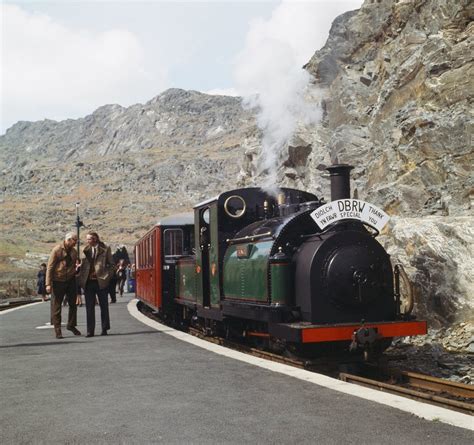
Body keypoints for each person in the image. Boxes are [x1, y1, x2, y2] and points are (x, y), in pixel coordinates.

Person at [46, 232, 81, 339]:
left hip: (70, 280)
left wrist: (77, 270)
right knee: (57, 307)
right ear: (68, 240)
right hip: (58, 281)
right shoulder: (57, 250)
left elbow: (75, 264)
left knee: (73, 305)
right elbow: (50, 267)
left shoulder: (74, 252)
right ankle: (58, 330)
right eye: (74, 240)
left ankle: (71, 325)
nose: (75, 242)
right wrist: (48, 284)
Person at [79, 231, 115, 337]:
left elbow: (112, 265)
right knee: (89, 307)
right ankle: (90, 331)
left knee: (104, 306)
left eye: (89, 239)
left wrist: (107, 276)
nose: (87, 241)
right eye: (87, 239)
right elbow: (82, 265)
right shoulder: (85, 250)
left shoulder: (105, 249)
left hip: (101, 281)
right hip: (88, 282)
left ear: (95, 239)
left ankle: (104, 328)